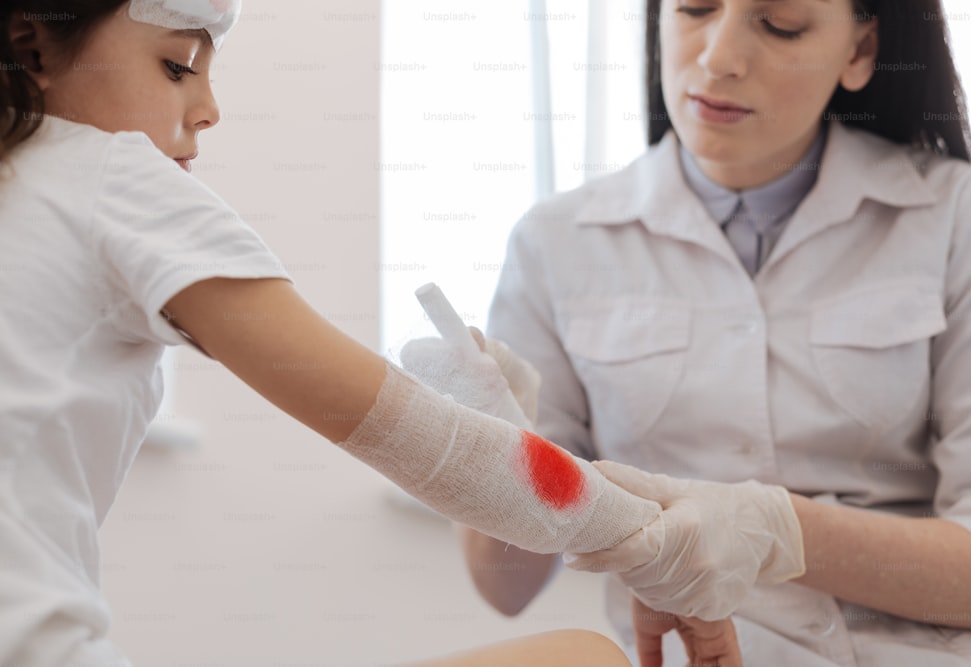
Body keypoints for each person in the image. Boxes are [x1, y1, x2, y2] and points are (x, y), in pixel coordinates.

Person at [0, 1, 709, 664]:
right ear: (31, 49)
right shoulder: (115, 177)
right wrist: (656, 545)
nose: (209, 109)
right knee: (584, 657)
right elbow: (421, 437)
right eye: (177, 66)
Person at [409, 0, 971, 664]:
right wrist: (488, 451)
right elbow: (504, 586)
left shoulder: (965, 220)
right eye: (693, 8)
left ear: (861, 51)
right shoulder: (558, 244)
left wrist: (779, 532)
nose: (717, 57)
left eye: (779, 25)